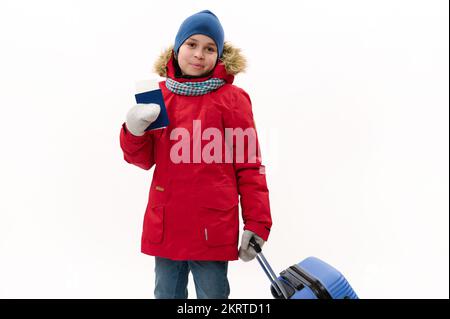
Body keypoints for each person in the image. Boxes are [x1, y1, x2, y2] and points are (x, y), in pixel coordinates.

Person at [119, 10, 272, 299]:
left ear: (219, 54)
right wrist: (133, 130)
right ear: (177, 49)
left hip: (211, 227)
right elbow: (141, 159)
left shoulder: (233, 100)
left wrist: (257, 222)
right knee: (166, 294)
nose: (199, 54)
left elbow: (250, 166)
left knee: (213, 297)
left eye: (209, 48)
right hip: (167, 223)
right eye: (192, 44)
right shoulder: (158, 96)